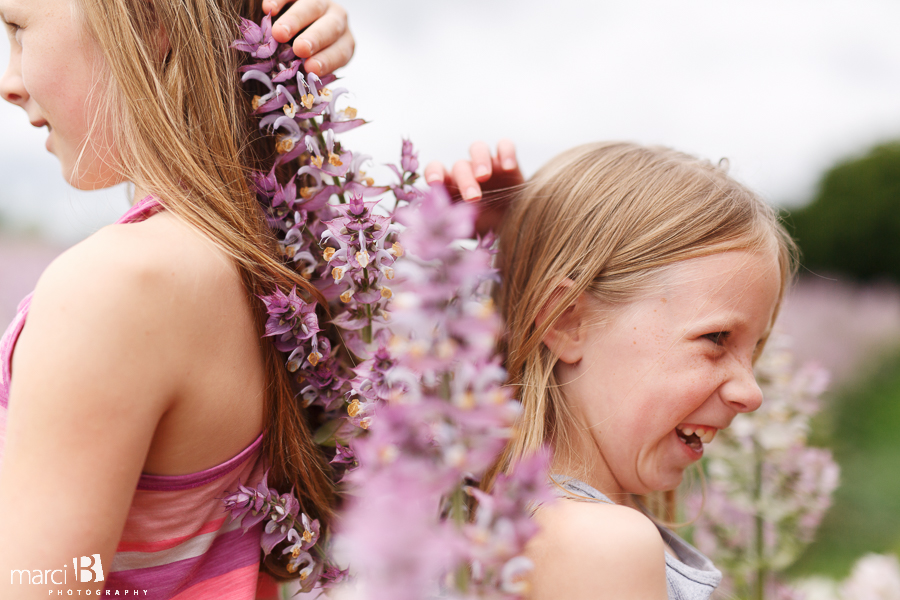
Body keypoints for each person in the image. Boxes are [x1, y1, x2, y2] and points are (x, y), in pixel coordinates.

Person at [0, 1, 352, 598]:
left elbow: (43, 585)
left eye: (17, 30)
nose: (9, 83)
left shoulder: (116, 286)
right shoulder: (271, 263)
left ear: (150, 24)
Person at [426, 141, 797, 599]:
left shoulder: (504, 521)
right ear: (566, 320)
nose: (752, 392)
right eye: (716, 339)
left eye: (754, 347)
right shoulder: (602, 544)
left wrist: (526, 240)